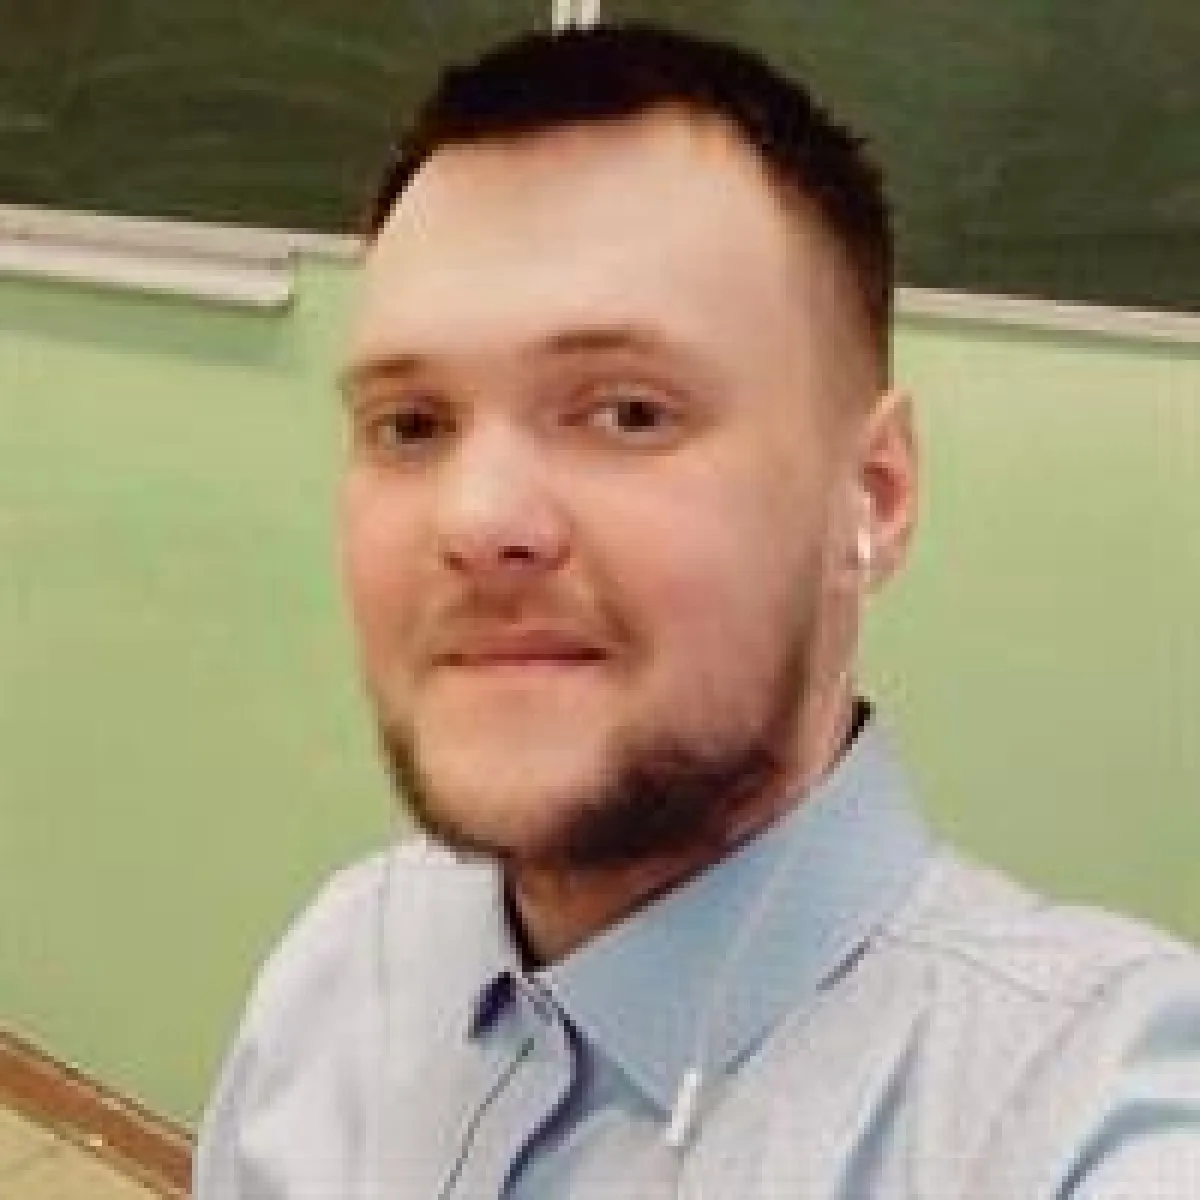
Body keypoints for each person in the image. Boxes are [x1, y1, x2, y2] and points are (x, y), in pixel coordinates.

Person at [194, 22, 1200, 1199]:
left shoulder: (1083, 1110)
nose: (476, 519)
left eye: (628, 412)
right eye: (411, 425)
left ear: (873, 496)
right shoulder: (344, 964)